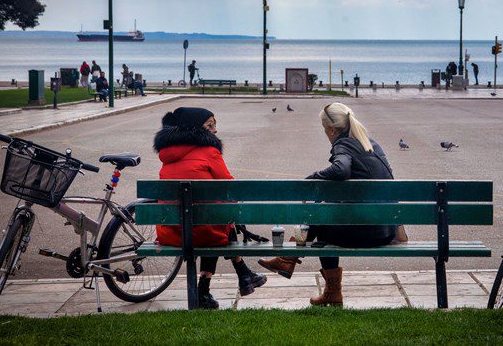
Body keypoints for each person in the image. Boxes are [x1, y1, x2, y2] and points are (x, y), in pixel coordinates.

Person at [258, 102, 396, 306]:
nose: (326, 134)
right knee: (322, 211)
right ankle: (288, 260)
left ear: (331, 129)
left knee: (321, 218)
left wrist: (313, 177)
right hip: (386, 230)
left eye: (325, 130)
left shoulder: (344, 144)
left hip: (366, 234)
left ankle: (321, 284)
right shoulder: (370, 143)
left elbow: (341, 170)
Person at [154, 107, 267, 309]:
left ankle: (242, 276)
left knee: (209, 217)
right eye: (210, 125)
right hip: (202, 231)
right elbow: (229, 187)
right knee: (215, 218)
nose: (215, 130)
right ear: (195, 128)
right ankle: (218, 284)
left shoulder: (166, 155)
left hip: (171, 232)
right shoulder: (209, 152)